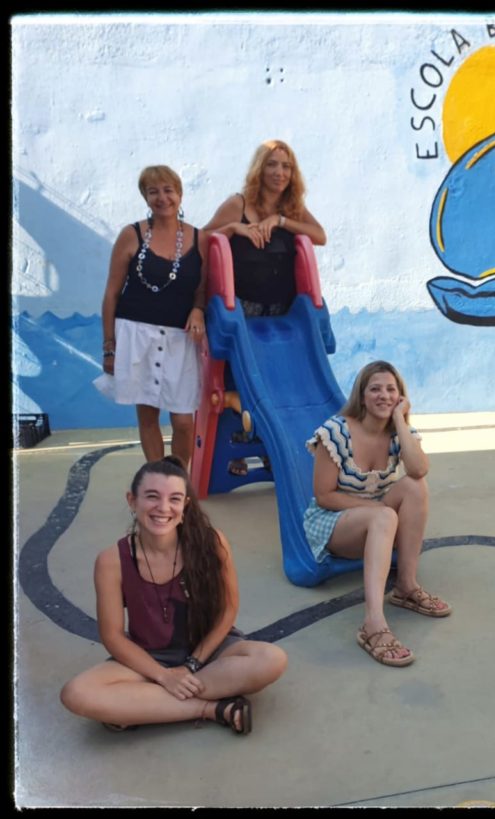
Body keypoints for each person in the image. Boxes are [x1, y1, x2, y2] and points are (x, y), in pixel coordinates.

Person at [60, 457, 288, 735]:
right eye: (152, 496)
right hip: (149, 657)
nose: (163, 507)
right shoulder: (111, 561)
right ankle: (213, 708)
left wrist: (191, 665)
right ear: (132, 501)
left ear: (185, 505)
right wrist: (163, 676)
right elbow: (113, 637)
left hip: (208, 652)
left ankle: (142, 705)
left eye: (175, 499)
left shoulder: (212, 542)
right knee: (77, 693)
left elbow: (229, 609)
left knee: (271, 659)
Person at [303, 361, 450, 668]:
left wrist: (400, 420)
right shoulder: (335, 432)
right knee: (384, 517)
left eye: (391, 390)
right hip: (335, 522)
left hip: (379, 518)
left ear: (400, 396)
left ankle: (406, 586)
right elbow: (324, 495)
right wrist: (379, 510)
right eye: (375, 389)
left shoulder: (399, 432)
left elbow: (418, 469)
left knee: (415, 486)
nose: (384, 395)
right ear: (362, 395)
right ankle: (372, 623)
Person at [204, 139, 326, 477]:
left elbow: (319, 235)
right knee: (239, 381)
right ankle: (236, 451)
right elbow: (205, 238)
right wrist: (235, 228)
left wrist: (280, 221)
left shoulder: (292, 207)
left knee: (276, 383)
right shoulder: (238, 203)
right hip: (244, 312)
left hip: (282, 314)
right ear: (260, 169)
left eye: (286, 166)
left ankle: (273, 449)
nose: (279, 172)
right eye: (272, 164)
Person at [95, 166, 208, 467]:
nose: (162, 198)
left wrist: (198, 309)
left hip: (181, 339)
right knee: (148, 416)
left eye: (168, 190)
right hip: (137, 334)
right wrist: (109, 346)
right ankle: (157, 479)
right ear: (145, 197)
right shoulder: (130, 235)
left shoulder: (200, 238)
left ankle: (179, 480)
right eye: (153, 191)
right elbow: (111, 294)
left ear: (180, 194)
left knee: (183, 421)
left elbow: (203, 287)